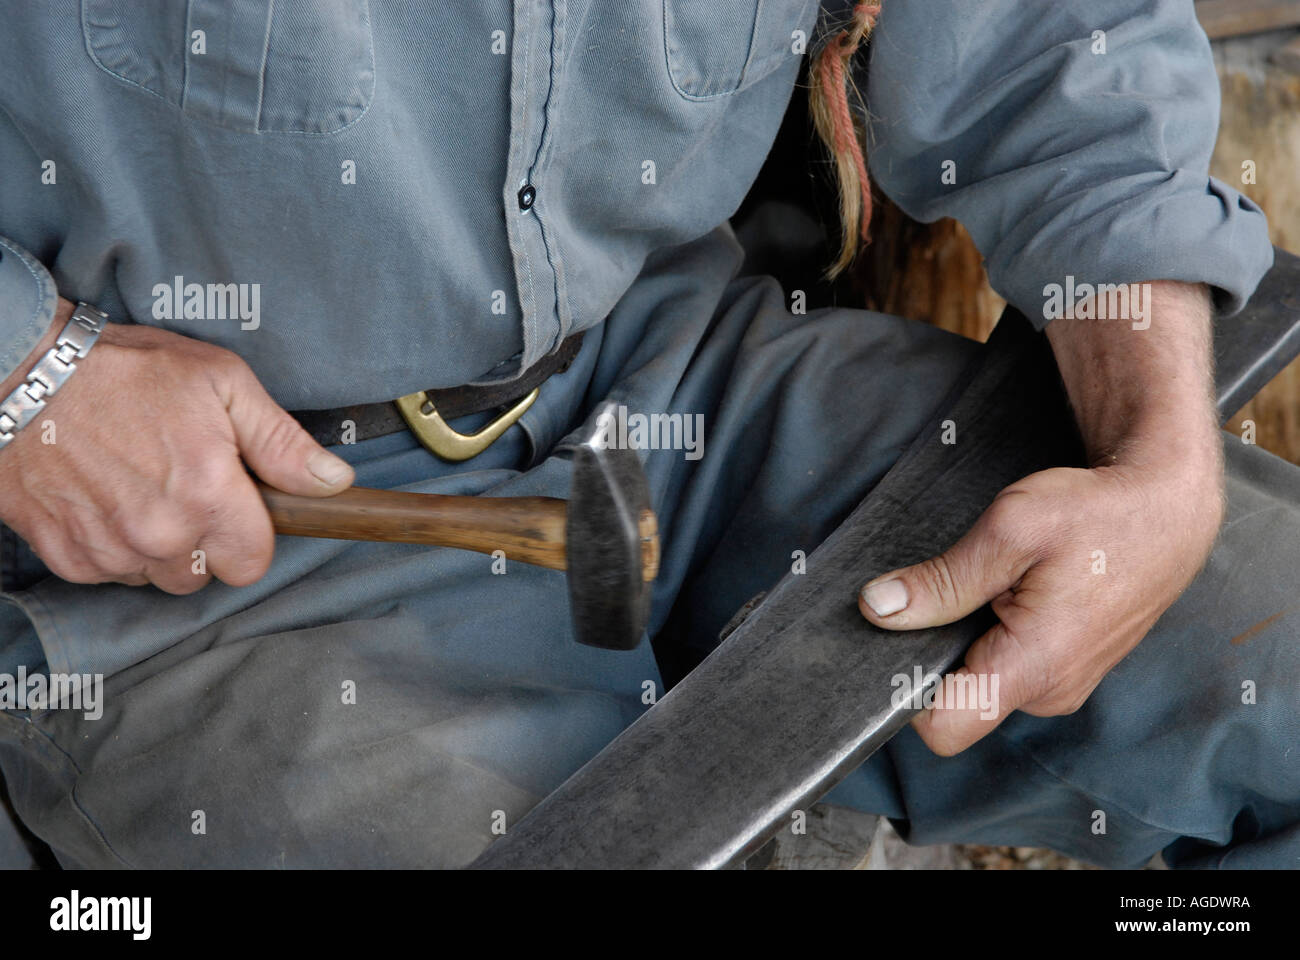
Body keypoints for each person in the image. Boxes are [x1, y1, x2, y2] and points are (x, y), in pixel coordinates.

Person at [0, 0, 1293, 869]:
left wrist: (1160, 447)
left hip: (670, 382)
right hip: (184, 553)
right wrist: (25, 381)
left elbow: (1047, 50)